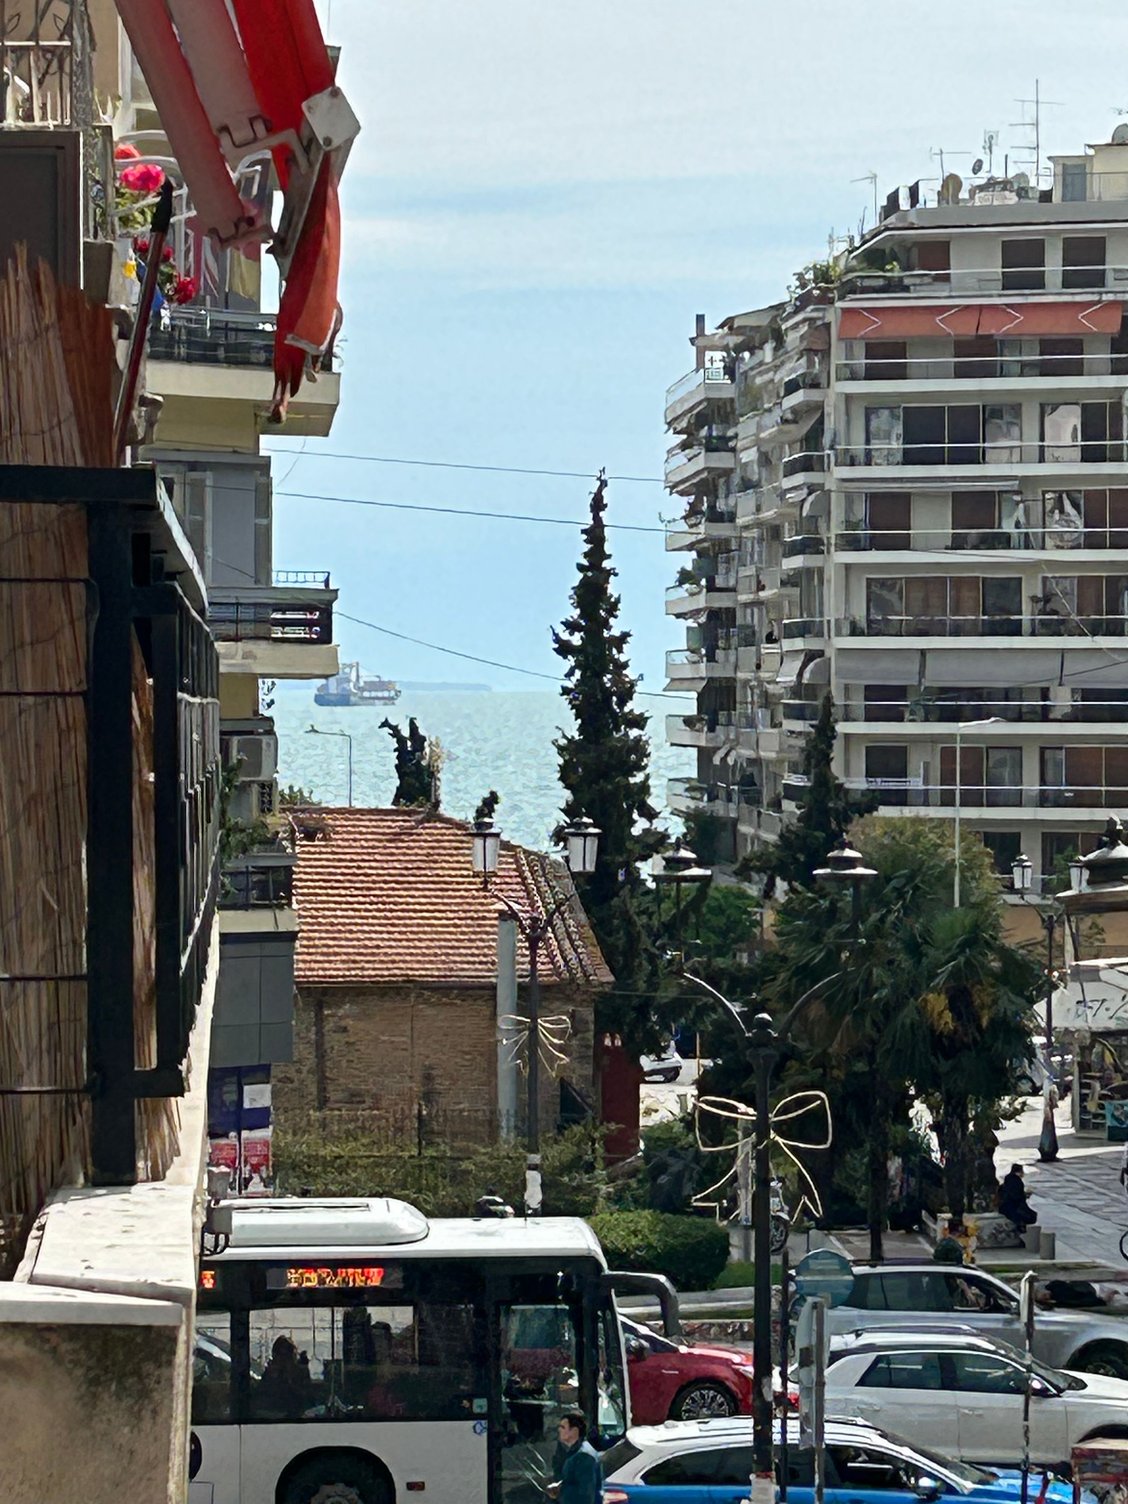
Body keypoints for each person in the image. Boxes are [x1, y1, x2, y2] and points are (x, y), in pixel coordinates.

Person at [547, 1413, 602, 1504]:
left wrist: (559, 1493)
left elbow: (585, 1495)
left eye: (563, 1427)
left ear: (574, 1431)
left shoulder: (584, 1456)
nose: (559, 1430)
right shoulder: (570, 1452)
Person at [999, 1163, 1038, 1231]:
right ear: (1019, 1171)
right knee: (1031, 1217)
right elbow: (1016, 1196)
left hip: (1006, 1207)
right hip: (1014, 1208)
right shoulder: (1016, 1181)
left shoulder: (1007, 1181)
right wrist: (1024, 1195)